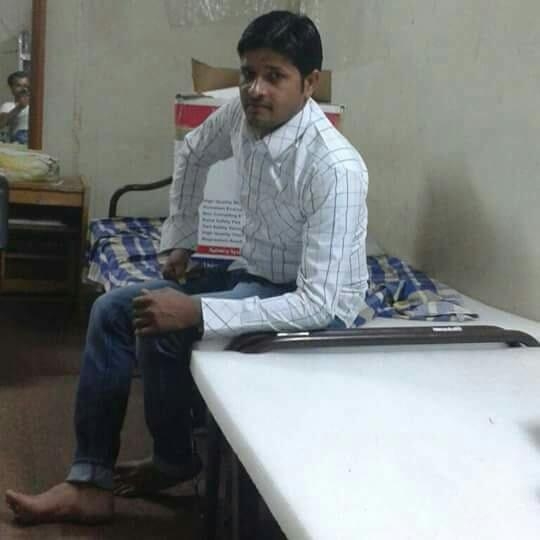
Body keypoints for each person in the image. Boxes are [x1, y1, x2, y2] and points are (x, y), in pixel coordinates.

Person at [5, 10, 369, 525]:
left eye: (274, 76)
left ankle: (174, 459)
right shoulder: (241, 117)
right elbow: (194, 151)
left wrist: (197, 311)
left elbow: (319, 303)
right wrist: (179, 239)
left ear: (309, 84)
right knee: (114, 310)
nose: (255, 89)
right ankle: (90, 482)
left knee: (166, 320)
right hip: (253, 275)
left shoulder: (334, 167)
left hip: (309, 303)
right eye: (248, 73)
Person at [0, 71, 30, 145]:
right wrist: (19, 107)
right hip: (17, 145)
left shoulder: (38, 106)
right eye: (18, 85)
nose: (23, 89)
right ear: (11, 88)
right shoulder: (8, 106)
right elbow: (1, 123)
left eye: (26, 85)